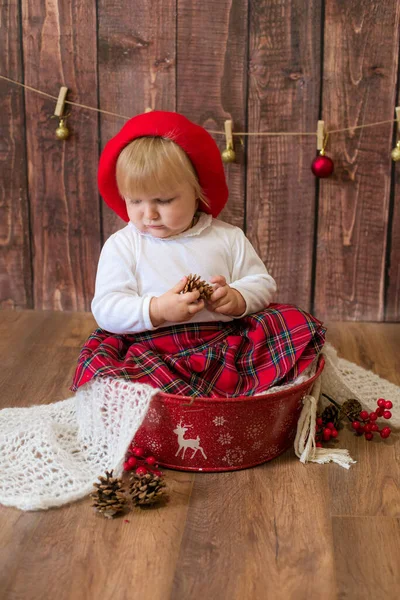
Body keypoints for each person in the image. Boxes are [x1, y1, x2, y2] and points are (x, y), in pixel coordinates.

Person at [71, 111, 325, 397]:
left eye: (164, 200)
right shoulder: (124, 245)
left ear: (197, 192)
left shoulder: (226, 237)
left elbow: (262, 283)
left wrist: (237, 298)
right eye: (135, 201)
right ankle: (165, 413)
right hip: (152, 350)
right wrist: (156, 309)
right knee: (107, 368)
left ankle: (245, 402)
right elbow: (106, 307)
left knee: (290, 319)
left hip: (224, 343)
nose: (149, 213)